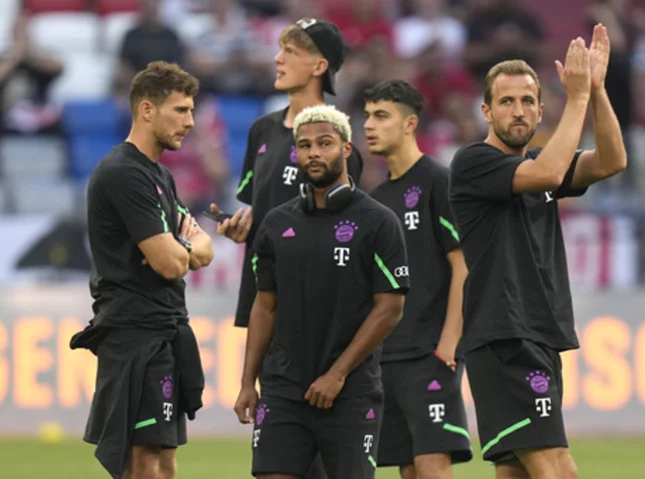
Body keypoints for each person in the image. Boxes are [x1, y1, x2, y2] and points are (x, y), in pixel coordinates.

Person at [447, 26, 627, 479]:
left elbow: (611, 161)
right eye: (506, 102)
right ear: (486, 111)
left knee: (519, 473)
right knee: (558, 469)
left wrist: (598, 91)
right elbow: (547, 174)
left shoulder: (538, 162)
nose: (519, 110)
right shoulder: (474, 163)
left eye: (528, 101)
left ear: (541, 110)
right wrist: (579, 99)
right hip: (507, 335)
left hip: (534, 333)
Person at [211, 19, 362, 478]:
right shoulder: (262, 130)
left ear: (319, 65)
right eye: (280, 49)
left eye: (291, 50)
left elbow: (346, 221)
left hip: (319, 306)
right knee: (282, 447)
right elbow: (263, 211)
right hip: (268, 297)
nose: (278, 58)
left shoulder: (338, 141)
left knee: (316, 440)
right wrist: (244, 227)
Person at [233, 104, 410, 479]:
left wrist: (338, 374)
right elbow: (264, 307)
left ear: (346, 149)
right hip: (283, 390)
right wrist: (248, 382)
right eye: (305, 145)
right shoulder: (276, 224)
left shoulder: (379, 221)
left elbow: (390, 308)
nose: (314, 153)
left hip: (351, 392)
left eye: (325, 143)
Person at [69, 61, 214, 479]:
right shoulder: (123, 173)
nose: (190, 121)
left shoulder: (159, 177)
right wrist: (183, 249)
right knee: (142, 462)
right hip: (135, 335)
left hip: (163, 332)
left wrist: (181, 248)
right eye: (181, 110)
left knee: (163, 460)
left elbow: (200, 251)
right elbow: (173, 263)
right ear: (147, 110)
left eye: (191, 110)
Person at [364, 80, 473, 478]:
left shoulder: (438, 182)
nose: (369, 126)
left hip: (429, 351)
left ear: (410, 124)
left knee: (432, 467)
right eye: (367, 117)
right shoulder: (375, 199)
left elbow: (463, 265)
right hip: (386, 355)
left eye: (381, 116)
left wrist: (448, 344)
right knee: (408, 470)